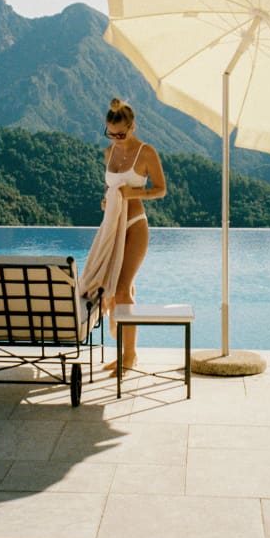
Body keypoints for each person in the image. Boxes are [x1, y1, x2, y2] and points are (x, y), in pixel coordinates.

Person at [87, 97, 166, 377]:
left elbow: (161, 189)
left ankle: (130, 356)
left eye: (120, 134)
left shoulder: (146, 153)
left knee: (122, 289)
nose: (116, 139)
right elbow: (110, 189)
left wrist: (134, 194)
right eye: (110, 133)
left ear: (132, 128)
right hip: (113, 226)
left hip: (135, 225)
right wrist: (106, 202)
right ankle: (124, 352)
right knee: (115, 288)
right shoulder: (108, 153)